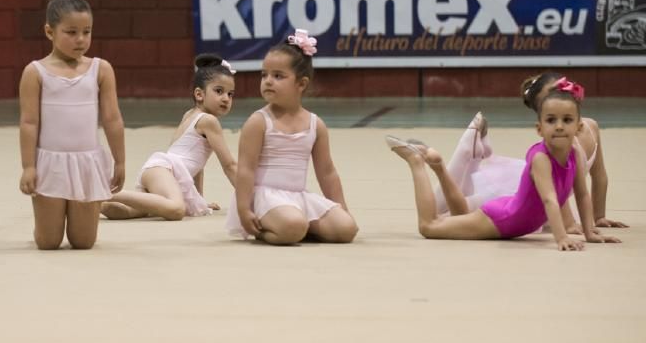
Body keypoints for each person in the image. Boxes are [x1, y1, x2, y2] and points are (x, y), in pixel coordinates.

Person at [387, 82, 621, 251]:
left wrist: (590, 232)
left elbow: (582, 194)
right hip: (503, 220)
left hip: (512, 214)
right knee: (430, 226)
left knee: (458, 213)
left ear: (578, 128)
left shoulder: (574, 155)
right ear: (539, 128)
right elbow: (550, 199)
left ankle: (440, 165)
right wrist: (561, 238)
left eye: (567, 120)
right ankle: (417, 162)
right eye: (551, 120)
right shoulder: (540, 157)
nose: (559, 126)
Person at [436, 72, 627, 230]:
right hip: (525, 191)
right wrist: (568, 224)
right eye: (555, 93)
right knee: (449, 212)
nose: (562, 93)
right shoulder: (561, 140)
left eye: (563, 87)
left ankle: (473, 155)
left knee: (451, 210)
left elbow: (599, 176)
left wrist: (599, 216)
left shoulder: (590, 127)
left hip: (540, 192)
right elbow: (559, 185)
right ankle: (464, 154)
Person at [18, 0, 125, 250]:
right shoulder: (35, 72)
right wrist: (29, 166)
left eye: (86, 32)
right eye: (71, 32)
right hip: (49, 163)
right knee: (48, 242)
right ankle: (44, 222)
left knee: (83, 242)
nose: (80, 40)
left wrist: (120, 161)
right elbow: (29, 123)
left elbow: (112, 119)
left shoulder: (101, 69)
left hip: (87, 162)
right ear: (49, 31)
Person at [227, 29, 358, 245]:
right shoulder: (259, 122)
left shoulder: (316, 125)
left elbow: (327, 172)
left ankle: (297, 227)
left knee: (347, 229)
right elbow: (246, 169)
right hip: (264, 197)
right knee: (293, 226)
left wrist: (341, 208)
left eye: (278, 76)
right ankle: (267, 230)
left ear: (301, 84)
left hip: (298, 197)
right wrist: (243, 208)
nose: (268, 81)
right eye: (264, 74)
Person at [101, 54, 237, 221]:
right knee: (176, 210)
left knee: (133, 211)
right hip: (164, 171)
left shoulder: (191, 114)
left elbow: (196, 166)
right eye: (219, 91)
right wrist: (249, 198)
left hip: (164, 174)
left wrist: (198, 201)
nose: (226, 98)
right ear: (199, 94)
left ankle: (99, 204)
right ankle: (107, 192)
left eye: (230, 94)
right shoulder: (209, 121)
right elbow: (229, 165)